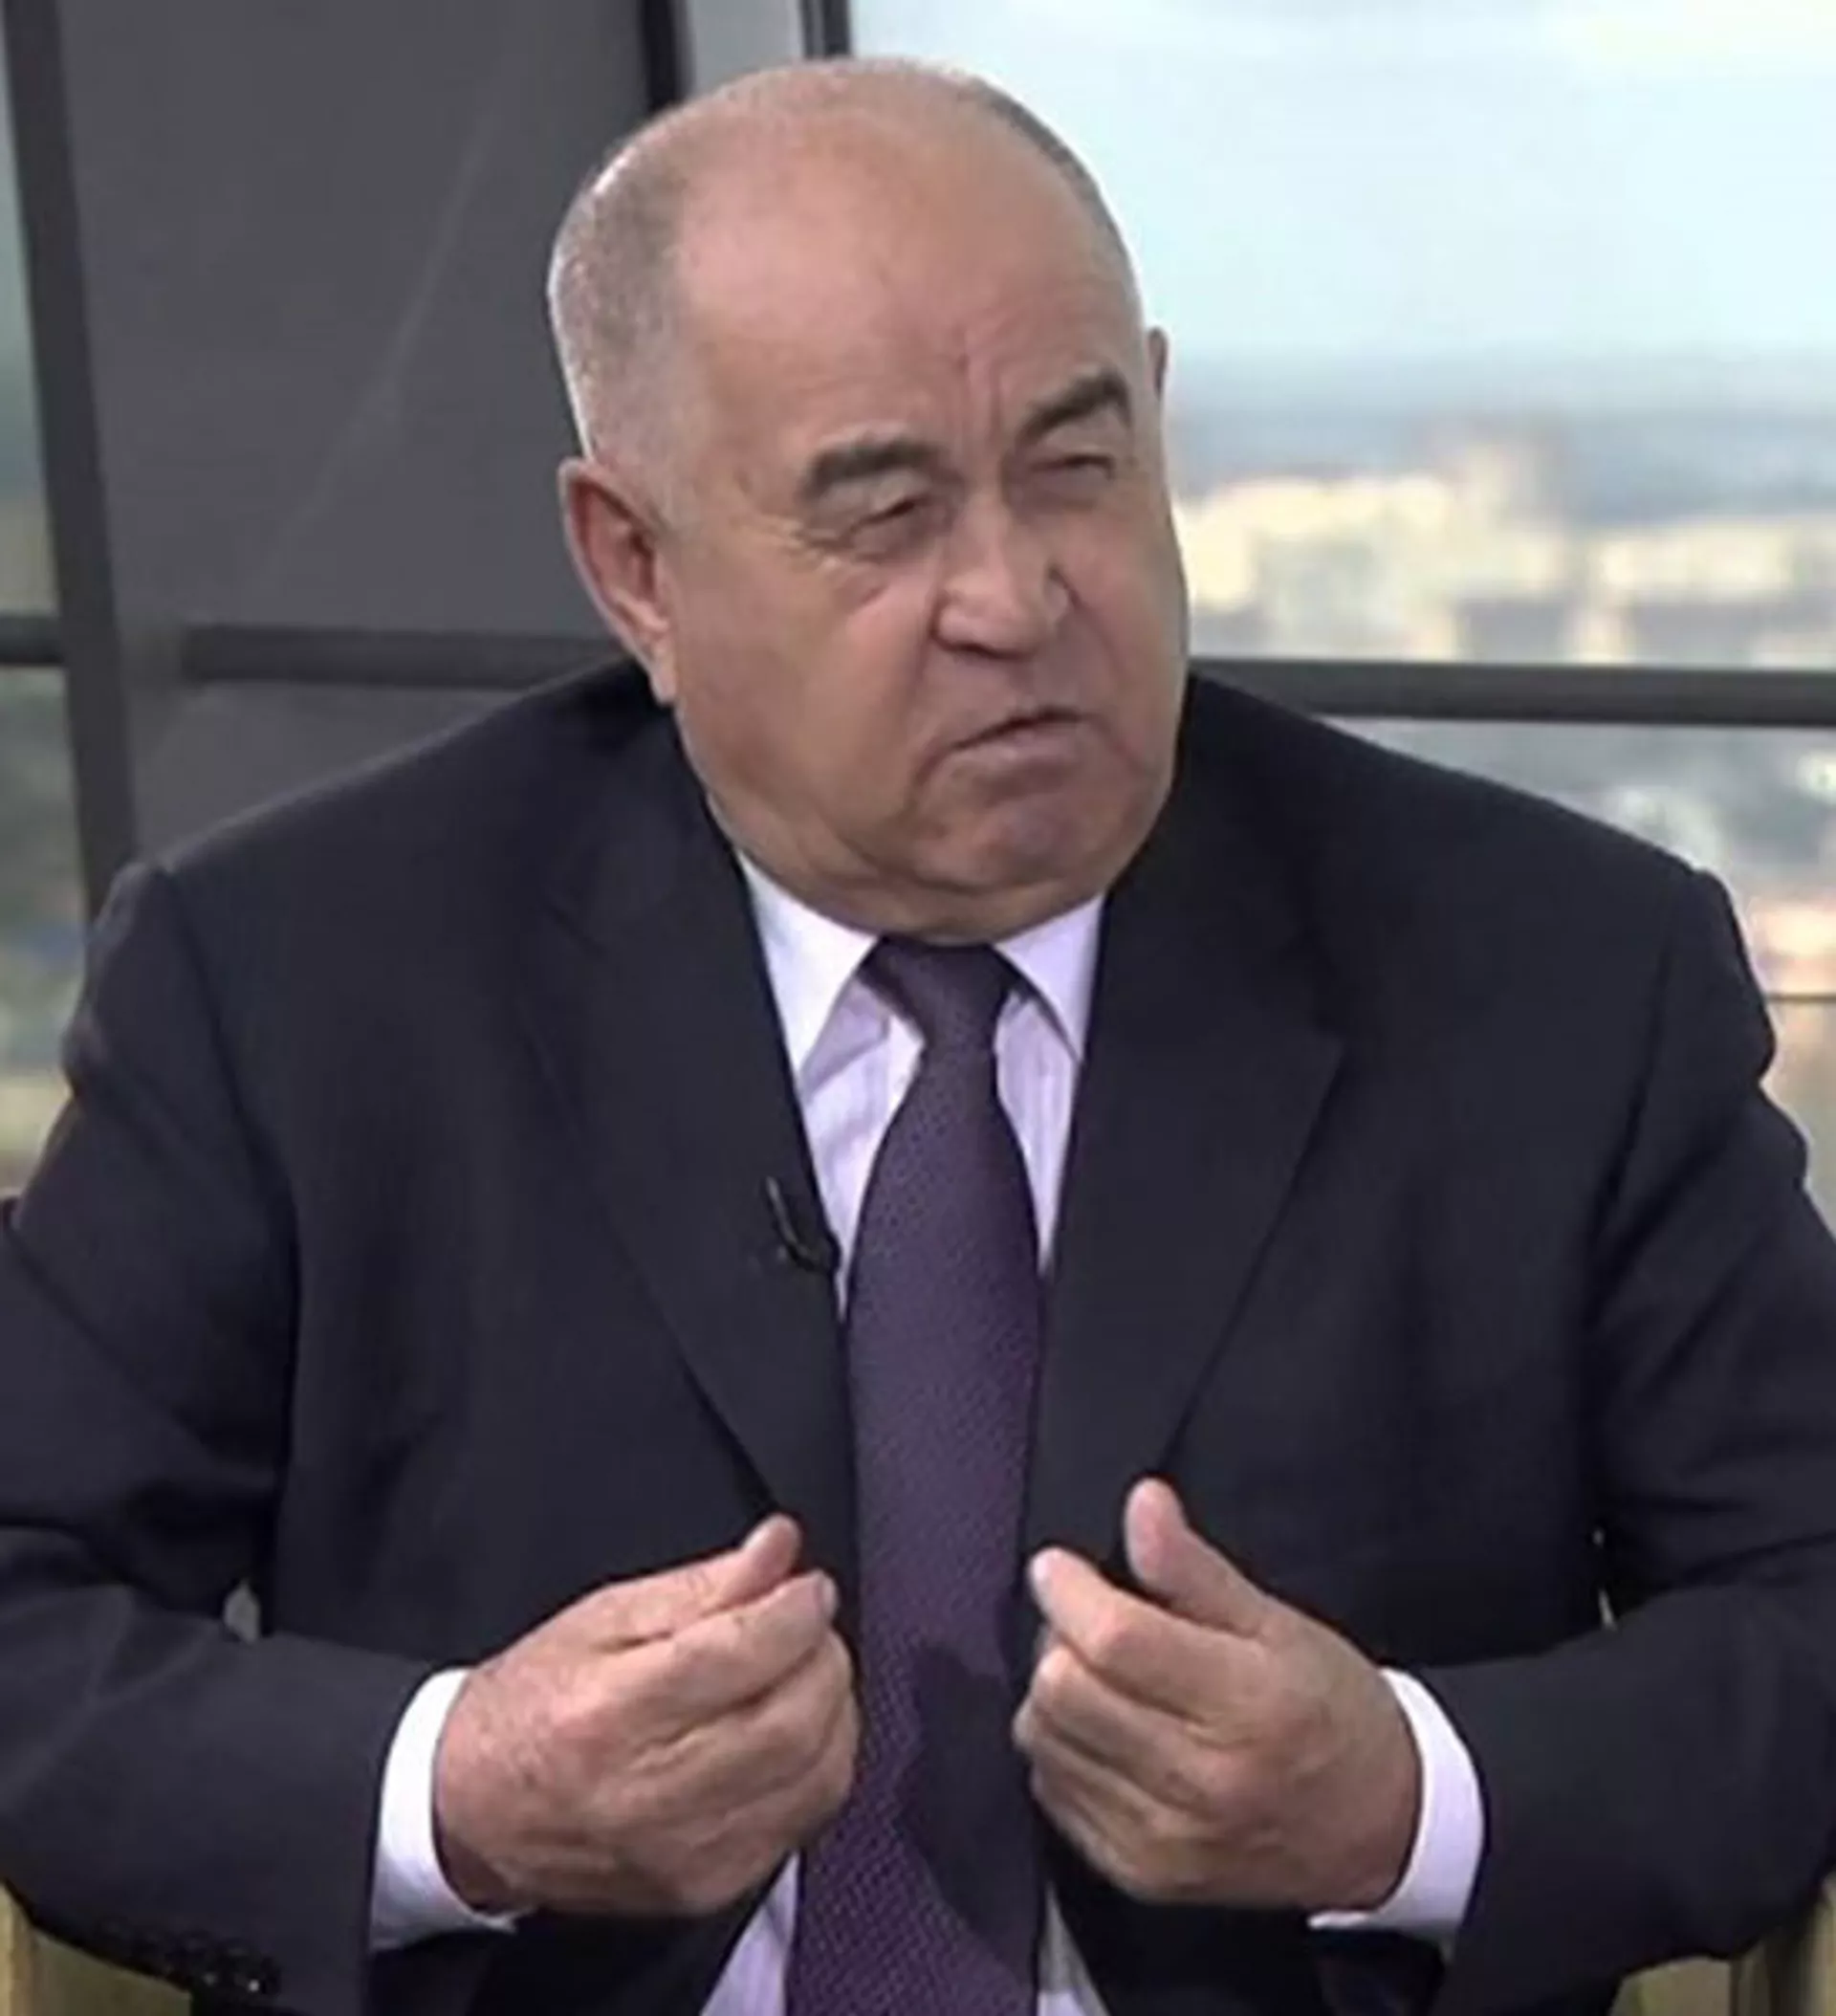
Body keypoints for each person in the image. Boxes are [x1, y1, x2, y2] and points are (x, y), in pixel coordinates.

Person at [1, 53, 1835, 2016]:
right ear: (636, 566)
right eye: (885, 514)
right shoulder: (297, 982)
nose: (1017, 597)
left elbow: (1807, 1600)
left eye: (1078, 465)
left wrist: (1408, 1798)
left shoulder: (1556, 976)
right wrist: (456, 1793)